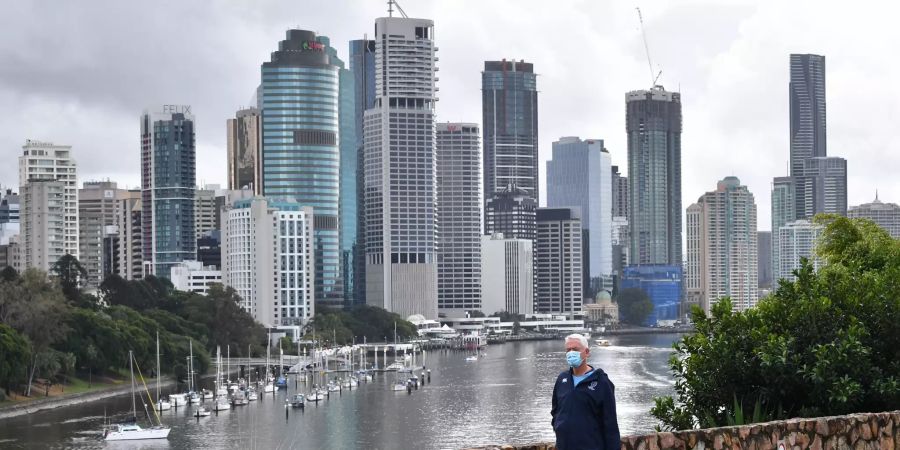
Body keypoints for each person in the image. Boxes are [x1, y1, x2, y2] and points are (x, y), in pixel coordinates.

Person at [550, 333, 620, 450]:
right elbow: (555, 410)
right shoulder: (562, 379)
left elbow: (610, 424)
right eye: (568, 350)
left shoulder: (602, 382)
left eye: (575, 349)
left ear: (587, 352)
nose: (571, 353)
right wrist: (558, 426)